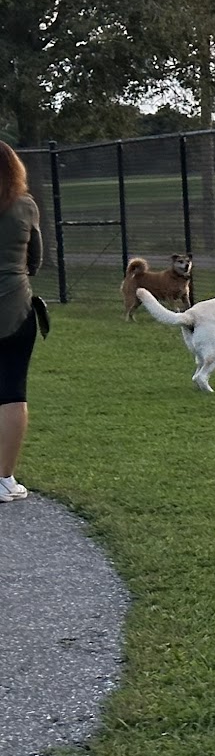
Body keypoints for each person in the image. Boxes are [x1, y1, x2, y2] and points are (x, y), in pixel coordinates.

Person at [0, 142, 43, 501]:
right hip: (15, 306)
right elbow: (36, 260)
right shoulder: (26, 206)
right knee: (12, 392)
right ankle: (4, 479)